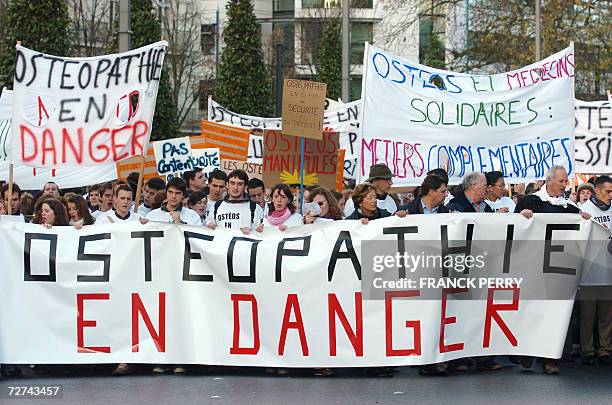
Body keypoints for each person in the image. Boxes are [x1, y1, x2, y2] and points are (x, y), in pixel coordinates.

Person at [515, 166, 591, 374]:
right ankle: (528, 350)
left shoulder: (569, 207)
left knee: (554, 313)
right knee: (532, 310)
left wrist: (583, 221)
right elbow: (513, 230)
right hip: (533, 266)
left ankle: (550, 358)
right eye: (562, 181)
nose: (565, 185)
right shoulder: (529, 202)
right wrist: (521, 217)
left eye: (566, 181)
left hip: (558, 269)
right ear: (549, 181)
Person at [577, 175, 612, 365]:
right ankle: (587, 350)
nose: (610, 195)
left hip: (608, 271)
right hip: (589, 273)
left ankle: (605, 350)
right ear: (597, 190)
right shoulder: (583, 210)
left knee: (606, 316)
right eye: (608, 191)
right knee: (587, 316)